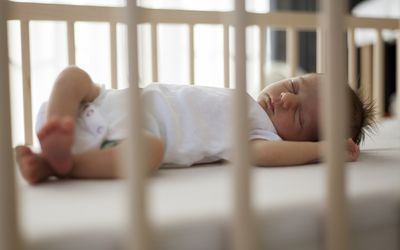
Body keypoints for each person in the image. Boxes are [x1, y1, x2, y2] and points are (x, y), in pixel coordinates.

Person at [15, 66, 375, 185]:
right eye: (294, 86)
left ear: (299, 139)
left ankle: (60, 163)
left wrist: (323, 150)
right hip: (104, 103)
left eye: (298, 116)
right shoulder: (246, 101)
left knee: (149, 152)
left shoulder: (260, 132)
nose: (285, 99)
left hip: (123, 140)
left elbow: (261, 154)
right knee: (74, 76)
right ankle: (58, 127)